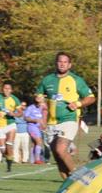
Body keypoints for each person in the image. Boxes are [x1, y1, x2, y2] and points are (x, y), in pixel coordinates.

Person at [37, 52, 95, 180]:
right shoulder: (47, 80)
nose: (62, 64)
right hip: (52, 122)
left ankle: (80, 177)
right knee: (58, 158)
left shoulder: (76, 80)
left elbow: (91, 98)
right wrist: (40, 100)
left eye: (65, 62)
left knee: (61, 149)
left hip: (69, 120)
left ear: (69, 65)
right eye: (60, 61)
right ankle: (68, 186)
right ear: (56, 63)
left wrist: (78, 103)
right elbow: (39, 94)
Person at [0, 83, 22, 172]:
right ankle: (8, 159)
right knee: (2, 149)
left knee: (9, 144)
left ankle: (9, 168)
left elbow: (20, 113)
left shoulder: (15, 99)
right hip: (0, 125)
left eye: (8, 88)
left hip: (11, 124)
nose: (6, 90)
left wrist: (13, 114)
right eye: (5, 88)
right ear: (2, 89)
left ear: (11, 90)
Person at [25, 95, 47, 165]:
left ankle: (32, 160)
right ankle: (37, 160)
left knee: (35, 144)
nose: (41, 104)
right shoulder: (30, 108)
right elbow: (25, 118)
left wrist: (43, 125)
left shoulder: (40, 109)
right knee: (39, 142)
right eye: (40, 102)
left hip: (37, 128)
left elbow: (40, 119)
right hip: (31, 127)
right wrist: (33, 120)